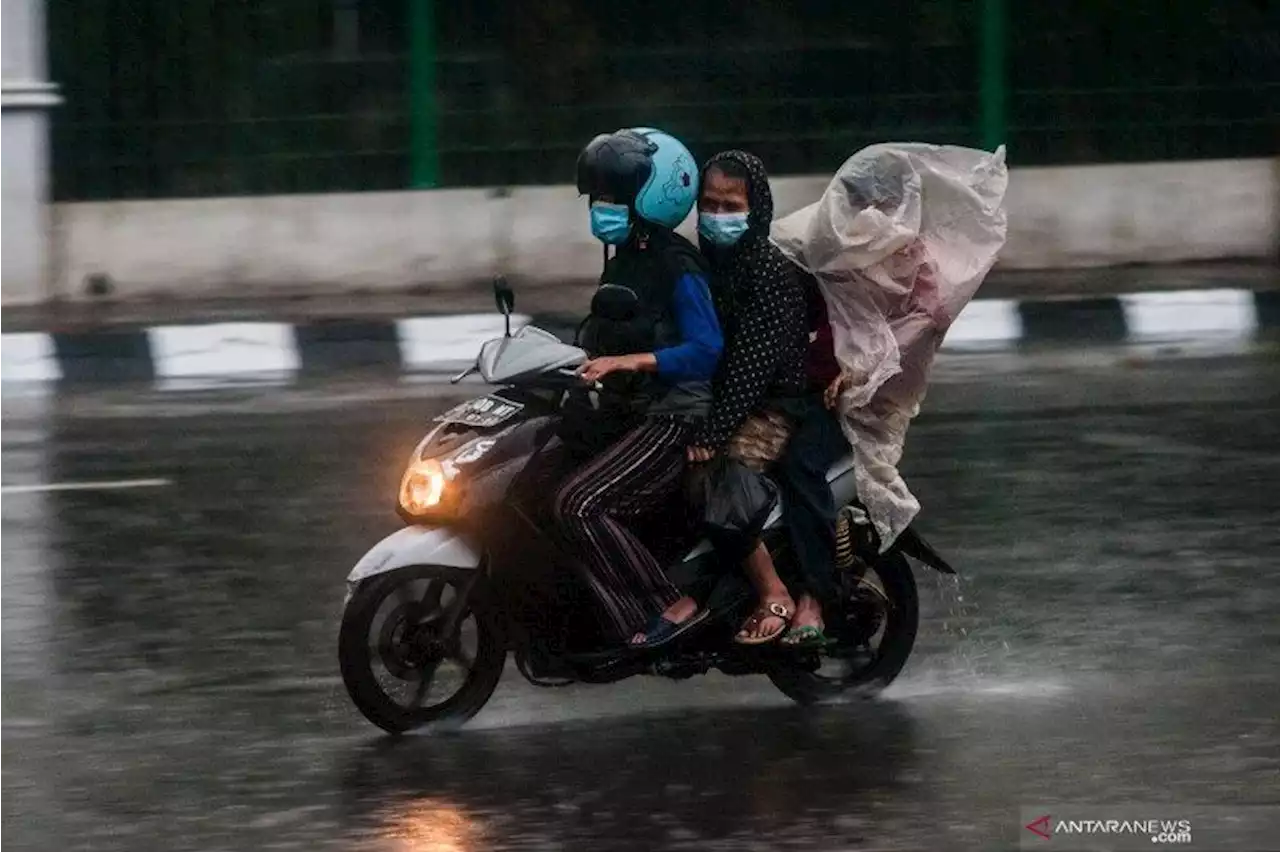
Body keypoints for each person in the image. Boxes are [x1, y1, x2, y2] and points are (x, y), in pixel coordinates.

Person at [517, 127, 724, 650]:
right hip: (629, 410)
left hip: (674, 416)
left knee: (579, 505)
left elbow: (706, 349)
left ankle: (670, 607)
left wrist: (633, 361)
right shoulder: (625, 256)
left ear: (650, 199)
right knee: (534, 482)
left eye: (614, 198)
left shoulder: (677, 266)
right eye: (598, 198)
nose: (601, 208)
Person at [631, 149, 809, 648]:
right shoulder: (707, 264)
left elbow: (751, 370)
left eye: (731, 206)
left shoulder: (769, 273)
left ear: (757, 210)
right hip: (718, 394)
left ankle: (773, 591)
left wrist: (714, 433)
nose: (717, 216)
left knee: (715, 473)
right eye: (709, 204)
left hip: (769, 406)